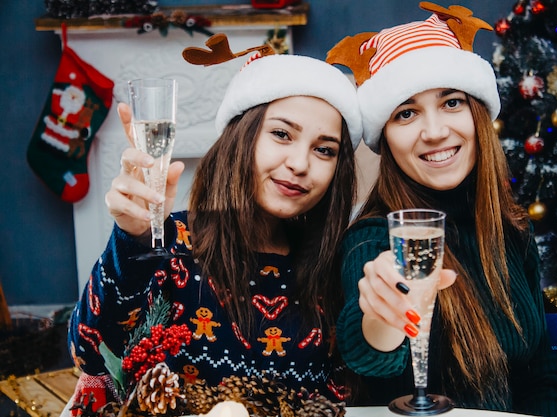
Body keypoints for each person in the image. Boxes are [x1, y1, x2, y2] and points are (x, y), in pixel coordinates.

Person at [67, 34, 362, 411]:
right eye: (281, 134)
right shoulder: (171, 243)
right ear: (240, 137)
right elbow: (91, 356)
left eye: (324, 150)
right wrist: (133, 239)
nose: (301, 163)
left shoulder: (336, 261)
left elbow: (344, 396)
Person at [327, 2, 557, 416]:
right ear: (386, 137)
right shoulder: (374, 237)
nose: (435, 132)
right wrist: (382, 311)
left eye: (451, 102)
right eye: (406, 113)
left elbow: (539, 376)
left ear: (478, 114)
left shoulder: (511, 230)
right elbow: (370, 358)